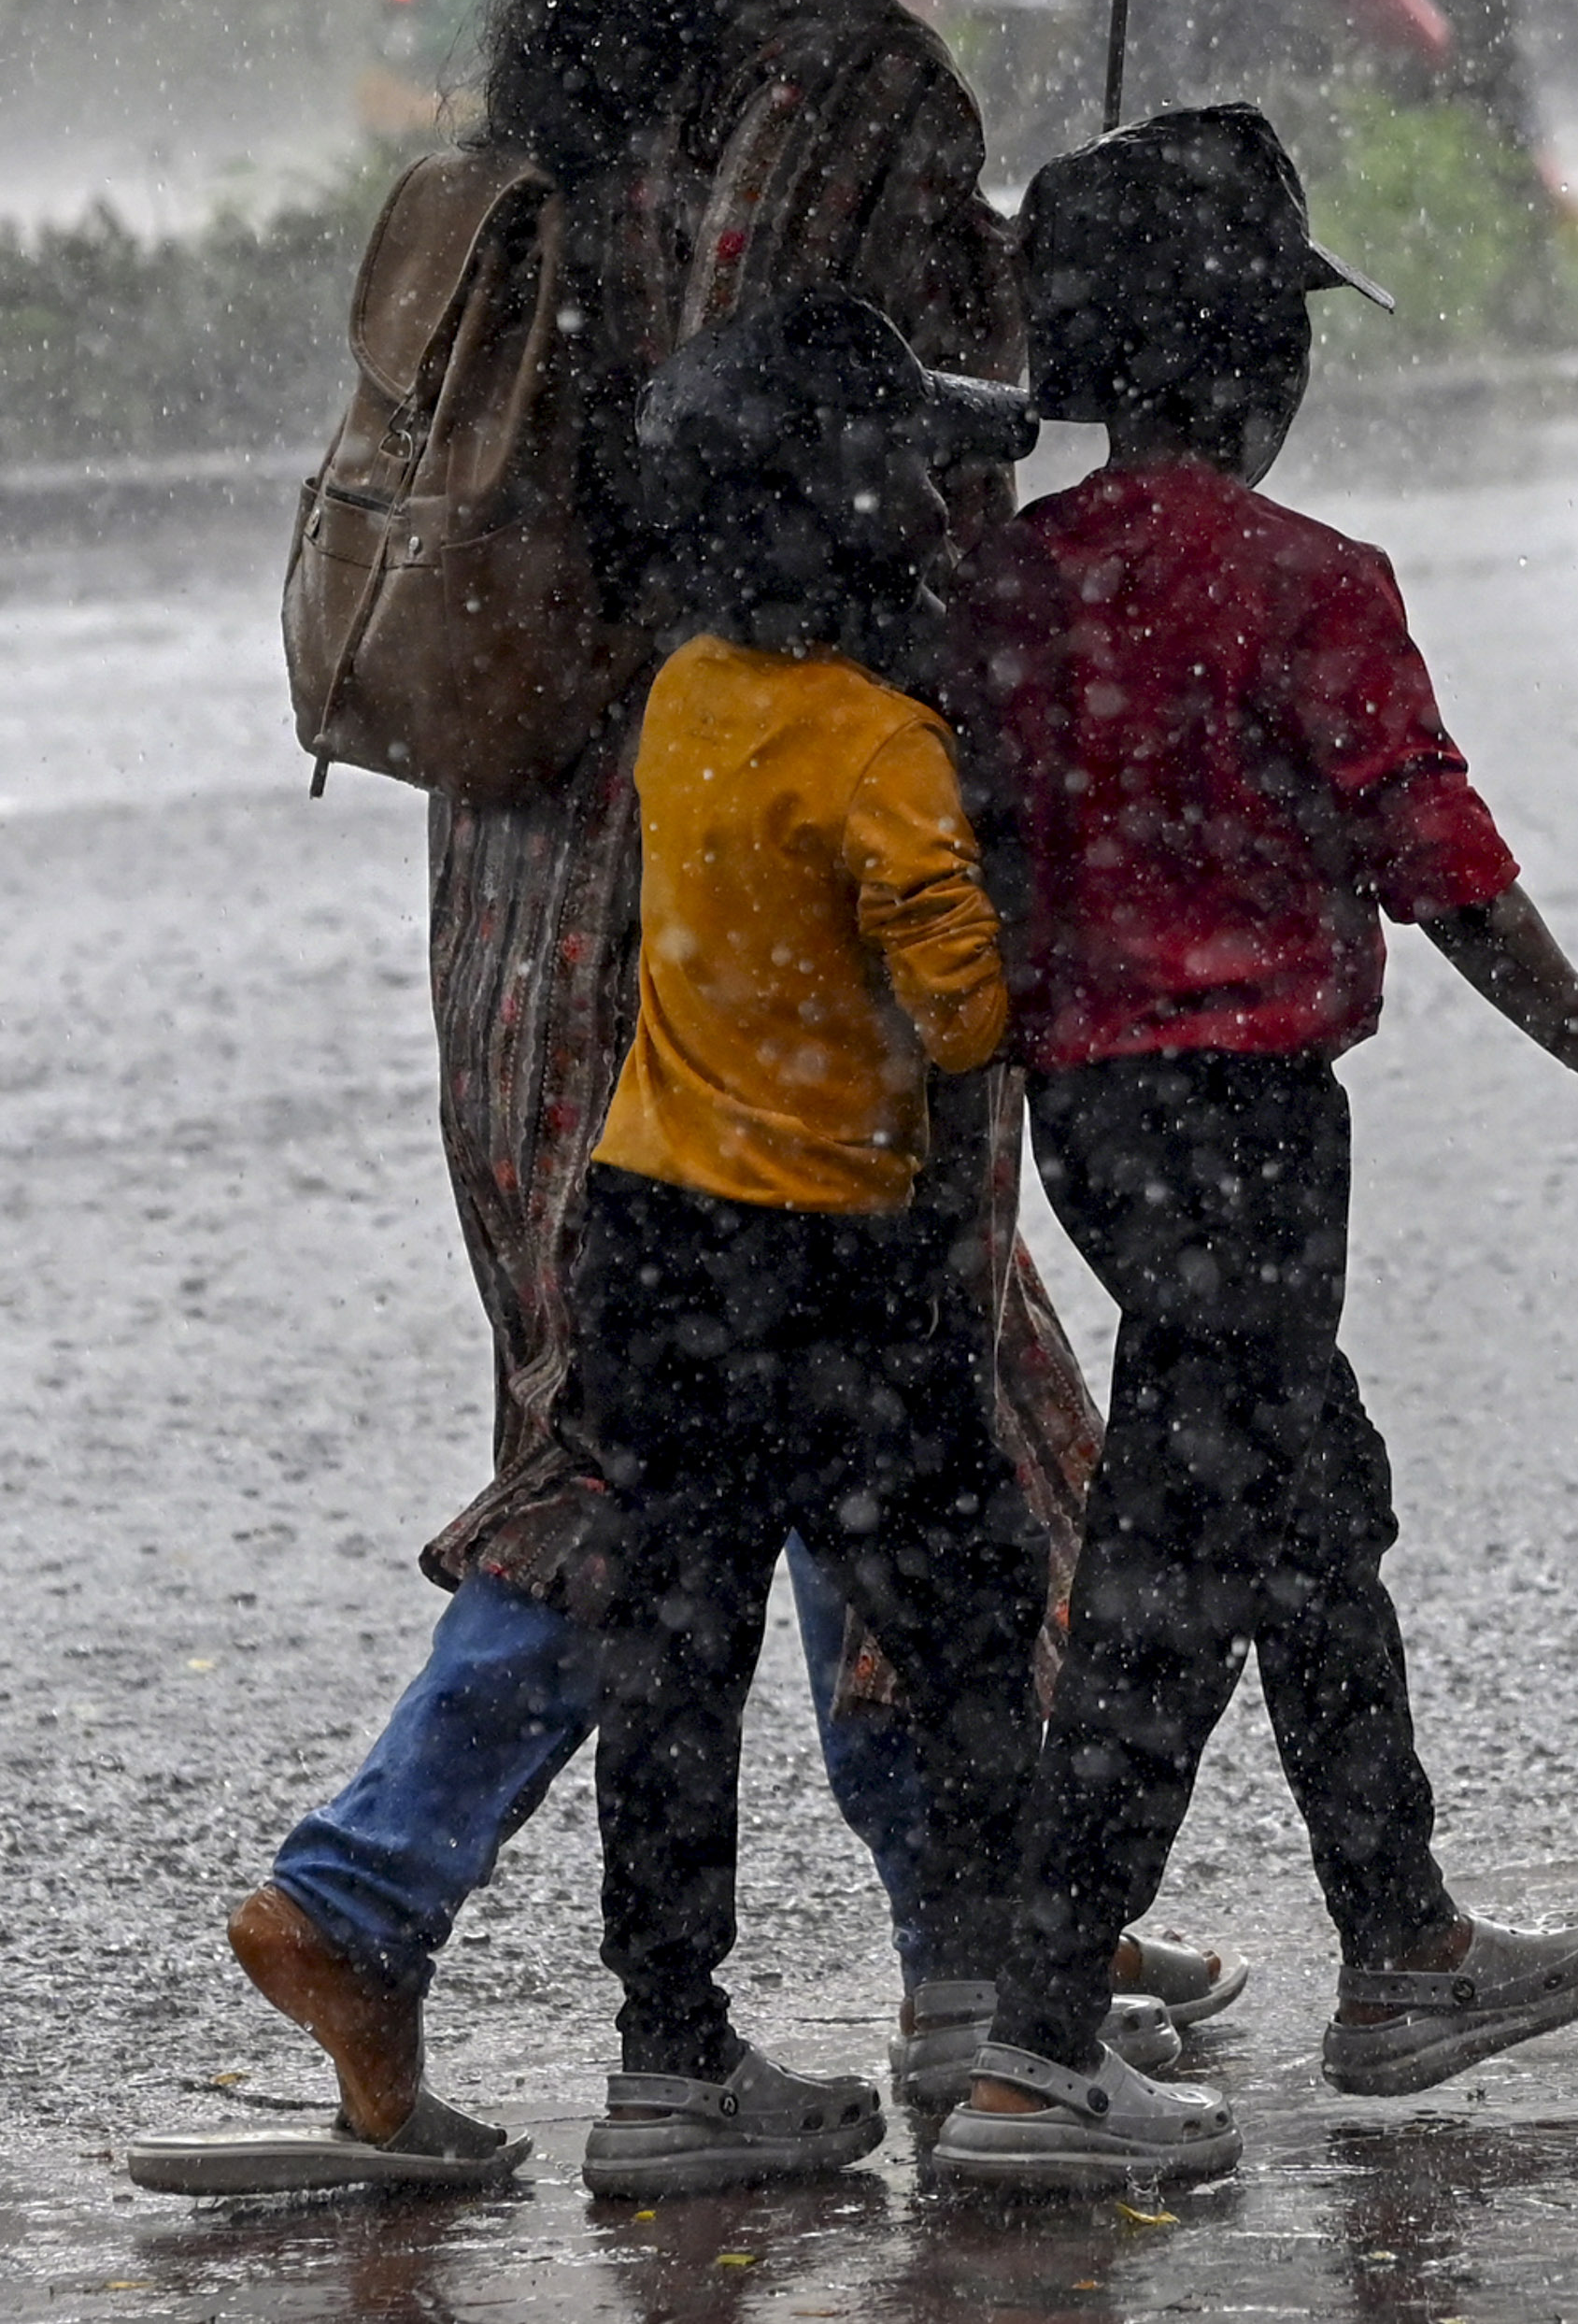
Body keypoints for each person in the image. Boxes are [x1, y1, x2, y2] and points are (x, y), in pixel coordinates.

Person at [156, 0, 1225, 2201]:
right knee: (802, 1408)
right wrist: (1047, 332)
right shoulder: (854, 84)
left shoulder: (586, 68)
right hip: (752, 858)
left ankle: (1016, 1933)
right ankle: (446, 1905)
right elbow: (888, 475)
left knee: (774, 1405)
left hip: (535, 847)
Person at [934, 106, 1578, 2192]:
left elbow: (978, 847)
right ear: (1260, 363)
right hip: (1252, 1125)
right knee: (1178, 1555)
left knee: (1307, 1493)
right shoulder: (1313, 584)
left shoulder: (999, 589)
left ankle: (1399, 1945)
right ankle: (1040, 2042)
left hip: (1092, 1125)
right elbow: (1440, 858)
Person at [568, 285, 1050, 2190]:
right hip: (828, 1265)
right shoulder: (878, 750)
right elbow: (966, 1022)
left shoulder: (687, 694)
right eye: (921, 475)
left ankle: (668, 2065)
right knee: (962, 1610)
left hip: (647, 1242)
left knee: (677, 1660)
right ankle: (982, 2010)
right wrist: (995, 855)